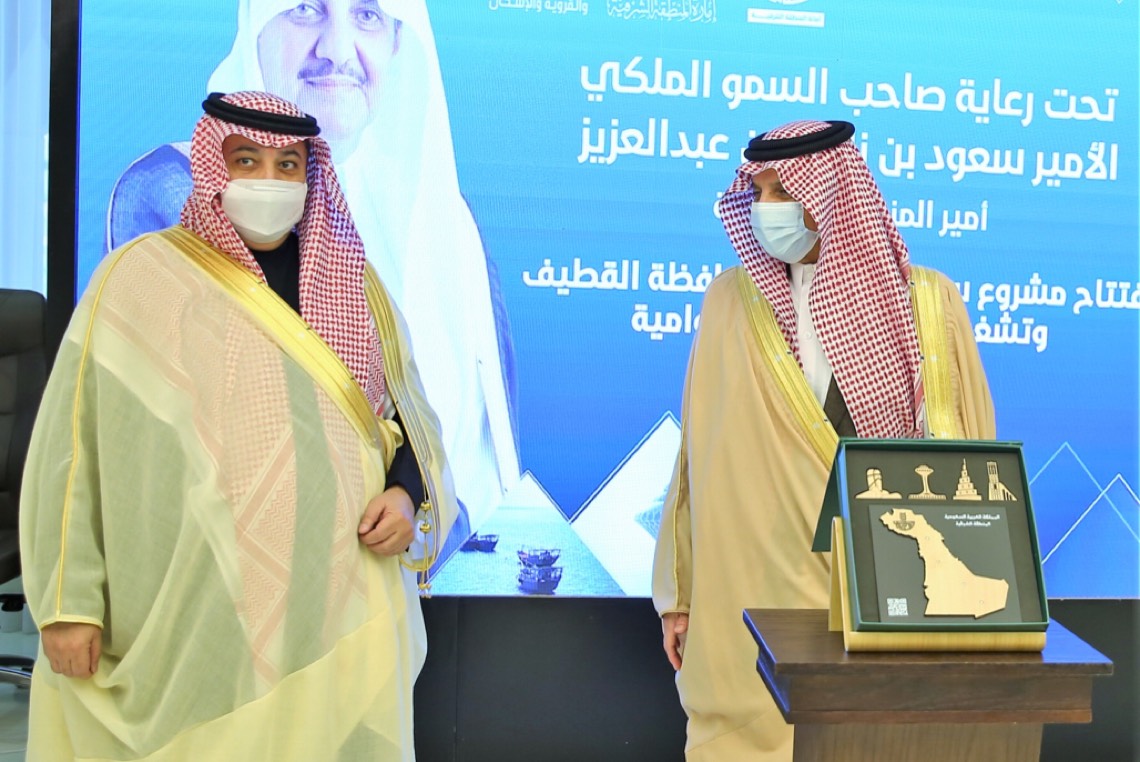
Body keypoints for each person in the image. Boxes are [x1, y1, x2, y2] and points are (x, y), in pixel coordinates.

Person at [21, 91, 457, 761]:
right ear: (211, 165)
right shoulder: (139, 279)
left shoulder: (356, 284)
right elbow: (74, 451)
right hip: (197, 609)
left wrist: (405, 494)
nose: (269, 181)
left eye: (288, 166)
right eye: (247, 160)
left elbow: (409, 419)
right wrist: (66, 603)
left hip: (340, 602)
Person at [106, 0, 519, 561]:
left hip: (402, 582)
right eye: (305, 9)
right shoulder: (171, 198)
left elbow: (412, 413)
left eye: (368, 16)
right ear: (258, 27)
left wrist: (409, 496)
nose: (338, 51)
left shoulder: (447, 225)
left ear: (398, 42)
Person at [651, 119, 996, 761]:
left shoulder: (927, 302)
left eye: (784, 190)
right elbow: (696, 456)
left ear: (833, 192)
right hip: (752, 590)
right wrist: (680, 592)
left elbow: (971, 456)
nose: (767, 208)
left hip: (888, 588)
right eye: (758, 192)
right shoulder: (729, 302)